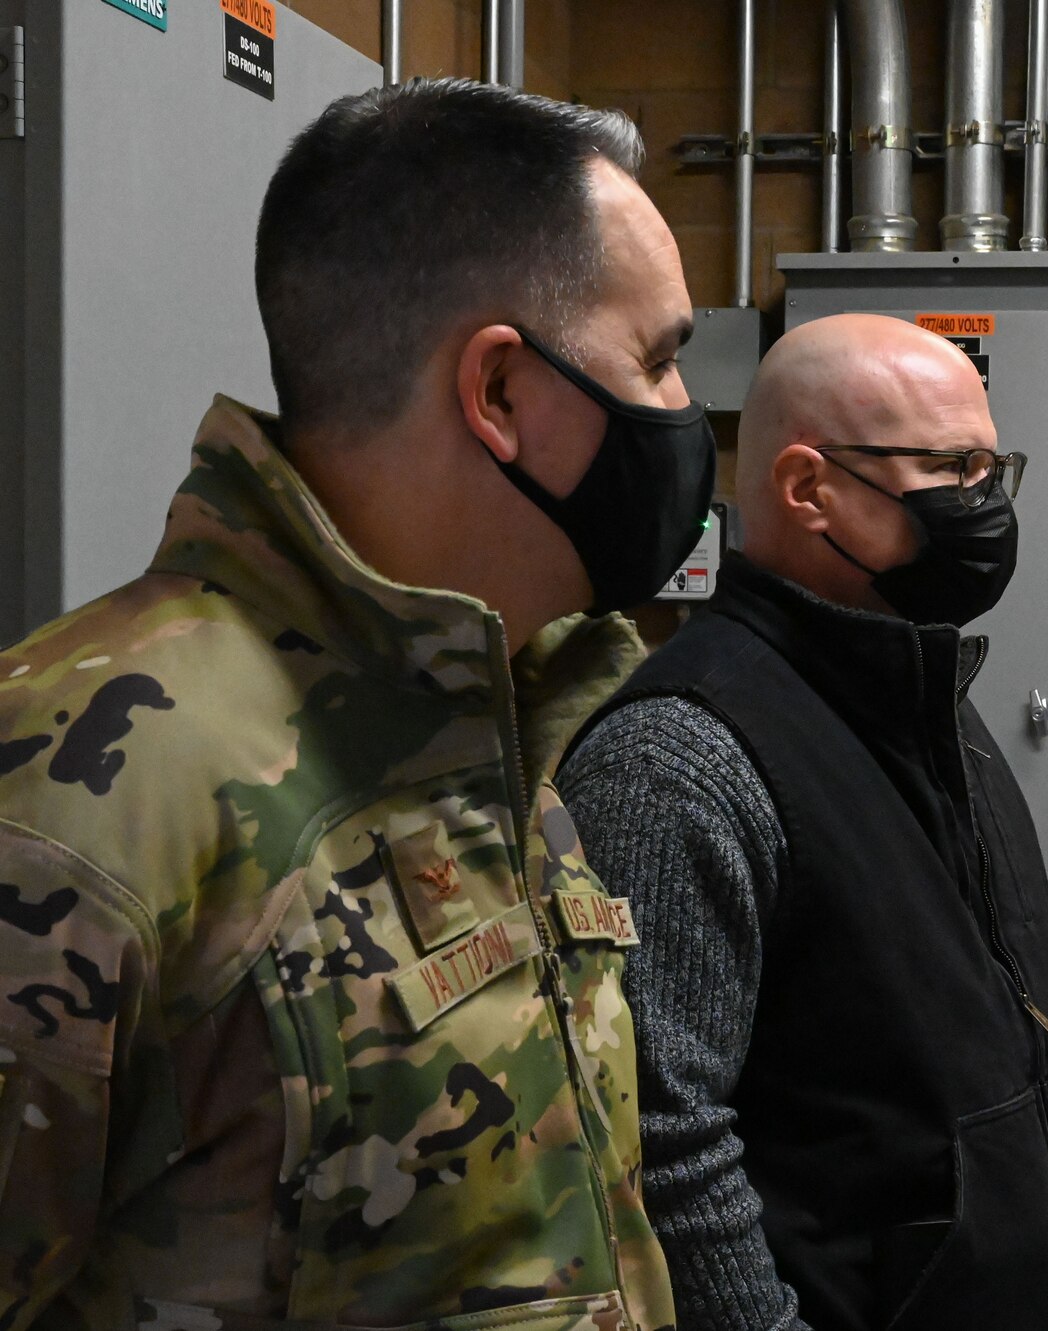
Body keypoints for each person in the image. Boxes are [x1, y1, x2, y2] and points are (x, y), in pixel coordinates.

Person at [0, 78, 714, 1330]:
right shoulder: (81, 797)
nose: (680, 415)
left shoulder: (498, 717)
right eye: (657, 359)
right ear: (500, 395)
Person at [560, 314, 1048, 1331]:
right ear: (809, 489)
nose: (982, 504)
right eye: (950, 467)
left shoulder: (927, 699)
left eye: (992, 467)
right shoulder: (679, 757)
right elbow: (660, 1146)